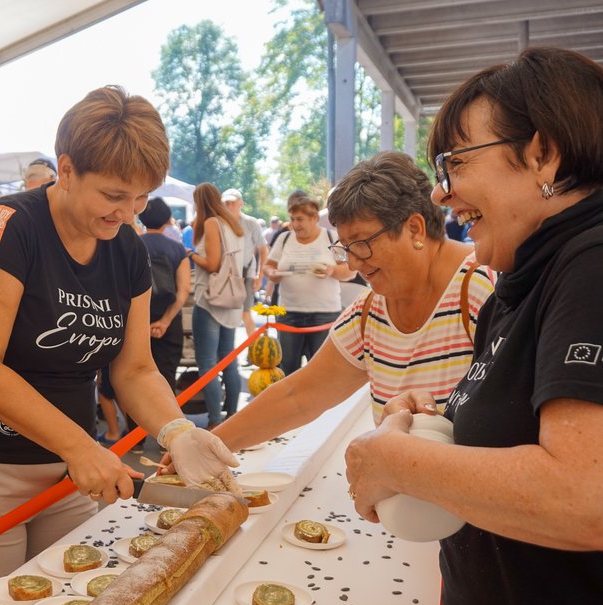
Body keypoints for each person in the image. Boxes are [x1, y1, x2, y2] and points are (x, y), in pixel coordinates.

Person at [0, 86, 239, 605]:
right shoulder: (11, 226)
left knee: (77, 601)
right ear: (66, 170)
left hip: (73, 467)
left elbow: (134, 368)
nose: (128, 213)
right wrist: (81, 447)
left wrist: (177, 430)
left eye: (140, 199)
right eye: (114, 196)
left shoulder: (130, 251)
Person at [344, 48, 603, 605]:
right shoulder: (519, 283)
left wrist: (392, 460)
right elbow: (519, 435)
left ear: (544, 155)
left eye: (455, 163)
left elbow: (586, 498)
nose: (440, 193)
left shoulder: (590, 265)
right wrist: (438, 417)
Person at [172, 150, 495, 466]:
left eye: (362, 244)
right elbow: (299, 396)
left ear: (414, 228)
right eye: (344, 248)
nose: (353, 262)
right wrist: (210, 444)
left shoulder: (485, 289)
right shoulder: (369, 313)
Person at [264, 191, 354, 374]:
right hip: (288, 314)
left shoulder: (331, 237)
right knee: (288, 369)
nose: (295, 225)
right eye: (292, 219)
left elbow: (350, 271)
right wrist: (272, 273)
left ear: (314, 218)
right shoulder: (284, 238)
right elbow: (268, 265)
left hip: (325, 314)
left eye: (300, 219)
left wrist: (332, 271)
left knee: (322, 372)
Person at [186, 182, 245, 429]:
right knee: (228, 359)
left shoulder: (211, 223)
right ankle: (232, 416)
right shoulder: (232, 224)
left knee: (208, 363)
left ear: (199, 202)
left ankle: (215, 421)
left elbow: (212, 264)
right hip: (231, 300)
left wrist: (190, 254)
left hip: (210, 299)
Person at [139, 197, 191, 390]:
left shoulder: (132, 244)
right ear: (167, 218)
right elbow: (184, 288)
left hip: (136, 324)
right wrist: (165, 321)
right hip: (169, 323)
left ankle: (135, 421)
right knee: (166, 380)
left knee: (135, 382)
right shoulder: (177, 248)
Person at [221, 188, 267, 338]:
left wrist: (260, 276)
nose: (229, 206)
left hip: (245, 274)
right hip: (225, 276)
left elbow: (263, 250)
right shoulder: (219, 223)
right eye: (226, 202)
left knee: (245, 314)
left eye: (232, 202)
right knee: (225, 315)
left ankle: (253, 349)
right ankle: (227, 353)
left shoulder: (251, 223)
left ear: (240, 203)